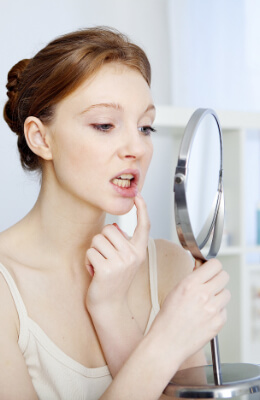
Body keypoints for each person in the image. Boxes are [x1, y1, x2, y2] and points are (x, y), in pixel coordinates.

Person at [0, 27, 230, 400]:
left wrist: (111, 310)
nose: (136, 148)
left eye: (145, 127)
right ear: (41, 138)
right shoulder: (5, 290)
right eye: (105, 125)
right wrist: (166, 340)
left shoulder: (170, 265)